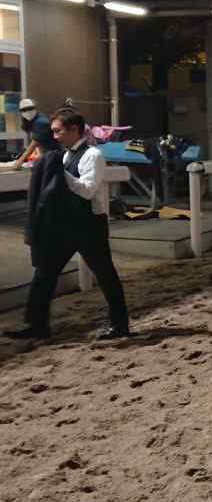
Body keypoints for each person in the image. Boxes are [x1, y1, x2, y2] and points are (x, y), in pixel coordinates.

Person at [4, 107, 131, 340]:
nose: (54, 136)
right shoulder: (64, 154)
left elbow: (88, 189)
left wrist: (58, 174)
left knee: (105, 275)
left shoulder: (93, 155)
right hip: (66, 224)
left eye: (57, 131)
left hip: (90, 225)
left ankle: (120, 324)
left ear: (74, 130)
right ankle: (36, 325)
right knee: (44, 272)